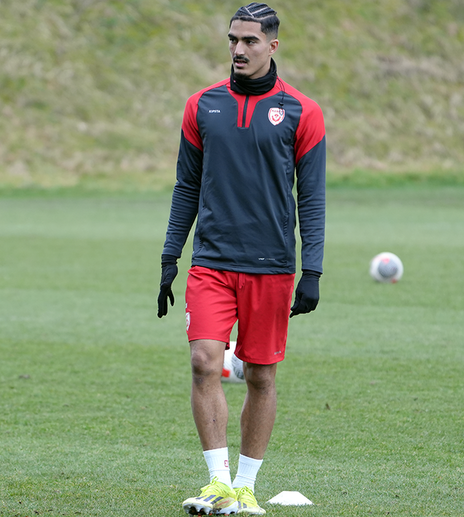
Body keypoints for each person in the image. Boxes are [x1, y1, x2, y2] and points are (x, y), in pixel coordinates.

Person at [157, 3, 326, 515]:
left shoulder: (302, 112)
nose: (238, 49)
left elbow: (312, 198)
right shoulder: (201, 105)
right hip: (211, 260)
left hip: (271, 266)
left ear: (272, 46)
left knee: (260, 376)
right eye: (233, 39)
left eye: (250, 41)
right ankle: (218, 483)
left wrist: (312, 269)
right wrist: (170, 255)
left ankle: (247, 487)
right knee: (204, 362)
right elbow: (186, 186)